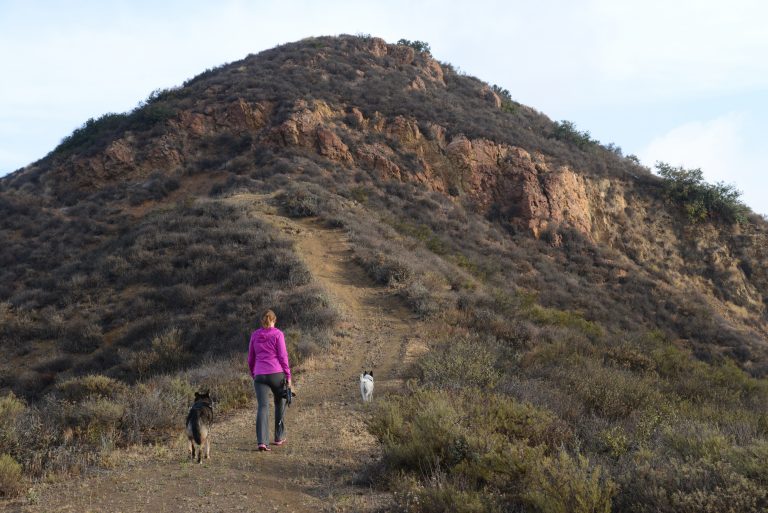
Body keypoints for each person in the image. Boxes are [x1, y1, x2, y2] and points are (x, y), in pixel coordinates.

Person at [247, 309, 292, 451]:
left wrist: (254, 373)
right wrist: (288, 376)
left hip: (259, 375)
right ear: (274, 320)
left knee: (263, 407)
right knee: (280, 402)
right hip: (276, 373)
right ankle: (279, 437)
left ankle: (262, 442)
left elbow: (250, 359)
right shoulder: (278, 334)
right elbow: (283, 357)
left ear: (262, 320)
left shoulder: (255, 335)